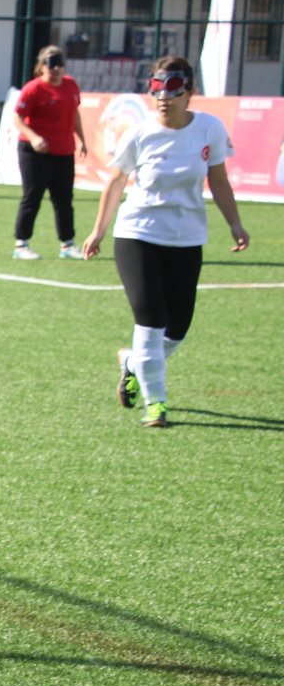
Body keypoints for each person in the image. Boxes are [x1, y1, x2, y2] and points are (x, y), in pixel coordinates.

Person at [81, 55, 250, 429]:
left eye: (173, 87)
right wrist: (99, 231)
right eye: (156, 86)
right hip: (138, 234)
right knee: (152, 317)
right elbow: (115, 181)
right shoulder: (140, 133)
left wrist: (235, 224)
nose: (163, 95)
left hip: (187, 238)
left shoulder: (209, 128)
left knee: (177, 329)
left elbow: (219, 179)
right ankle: (155, 404)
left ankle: (131, 362)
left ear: (190, 92)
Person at [11, 45, 88, 260]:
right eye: (52, 64)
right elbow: (17, 117)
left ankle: (67, 244)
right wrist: (34, 137)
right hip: (34, 152)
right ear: (42, 66)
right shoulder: (34, 89)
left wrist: (82, 140)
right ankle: (21, 244)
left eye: (60, 64)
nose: (56, 69)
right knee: (33, 196)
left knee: (64, 198)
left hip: (63, 151)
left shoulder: (71, 86)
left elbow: (75, 114)